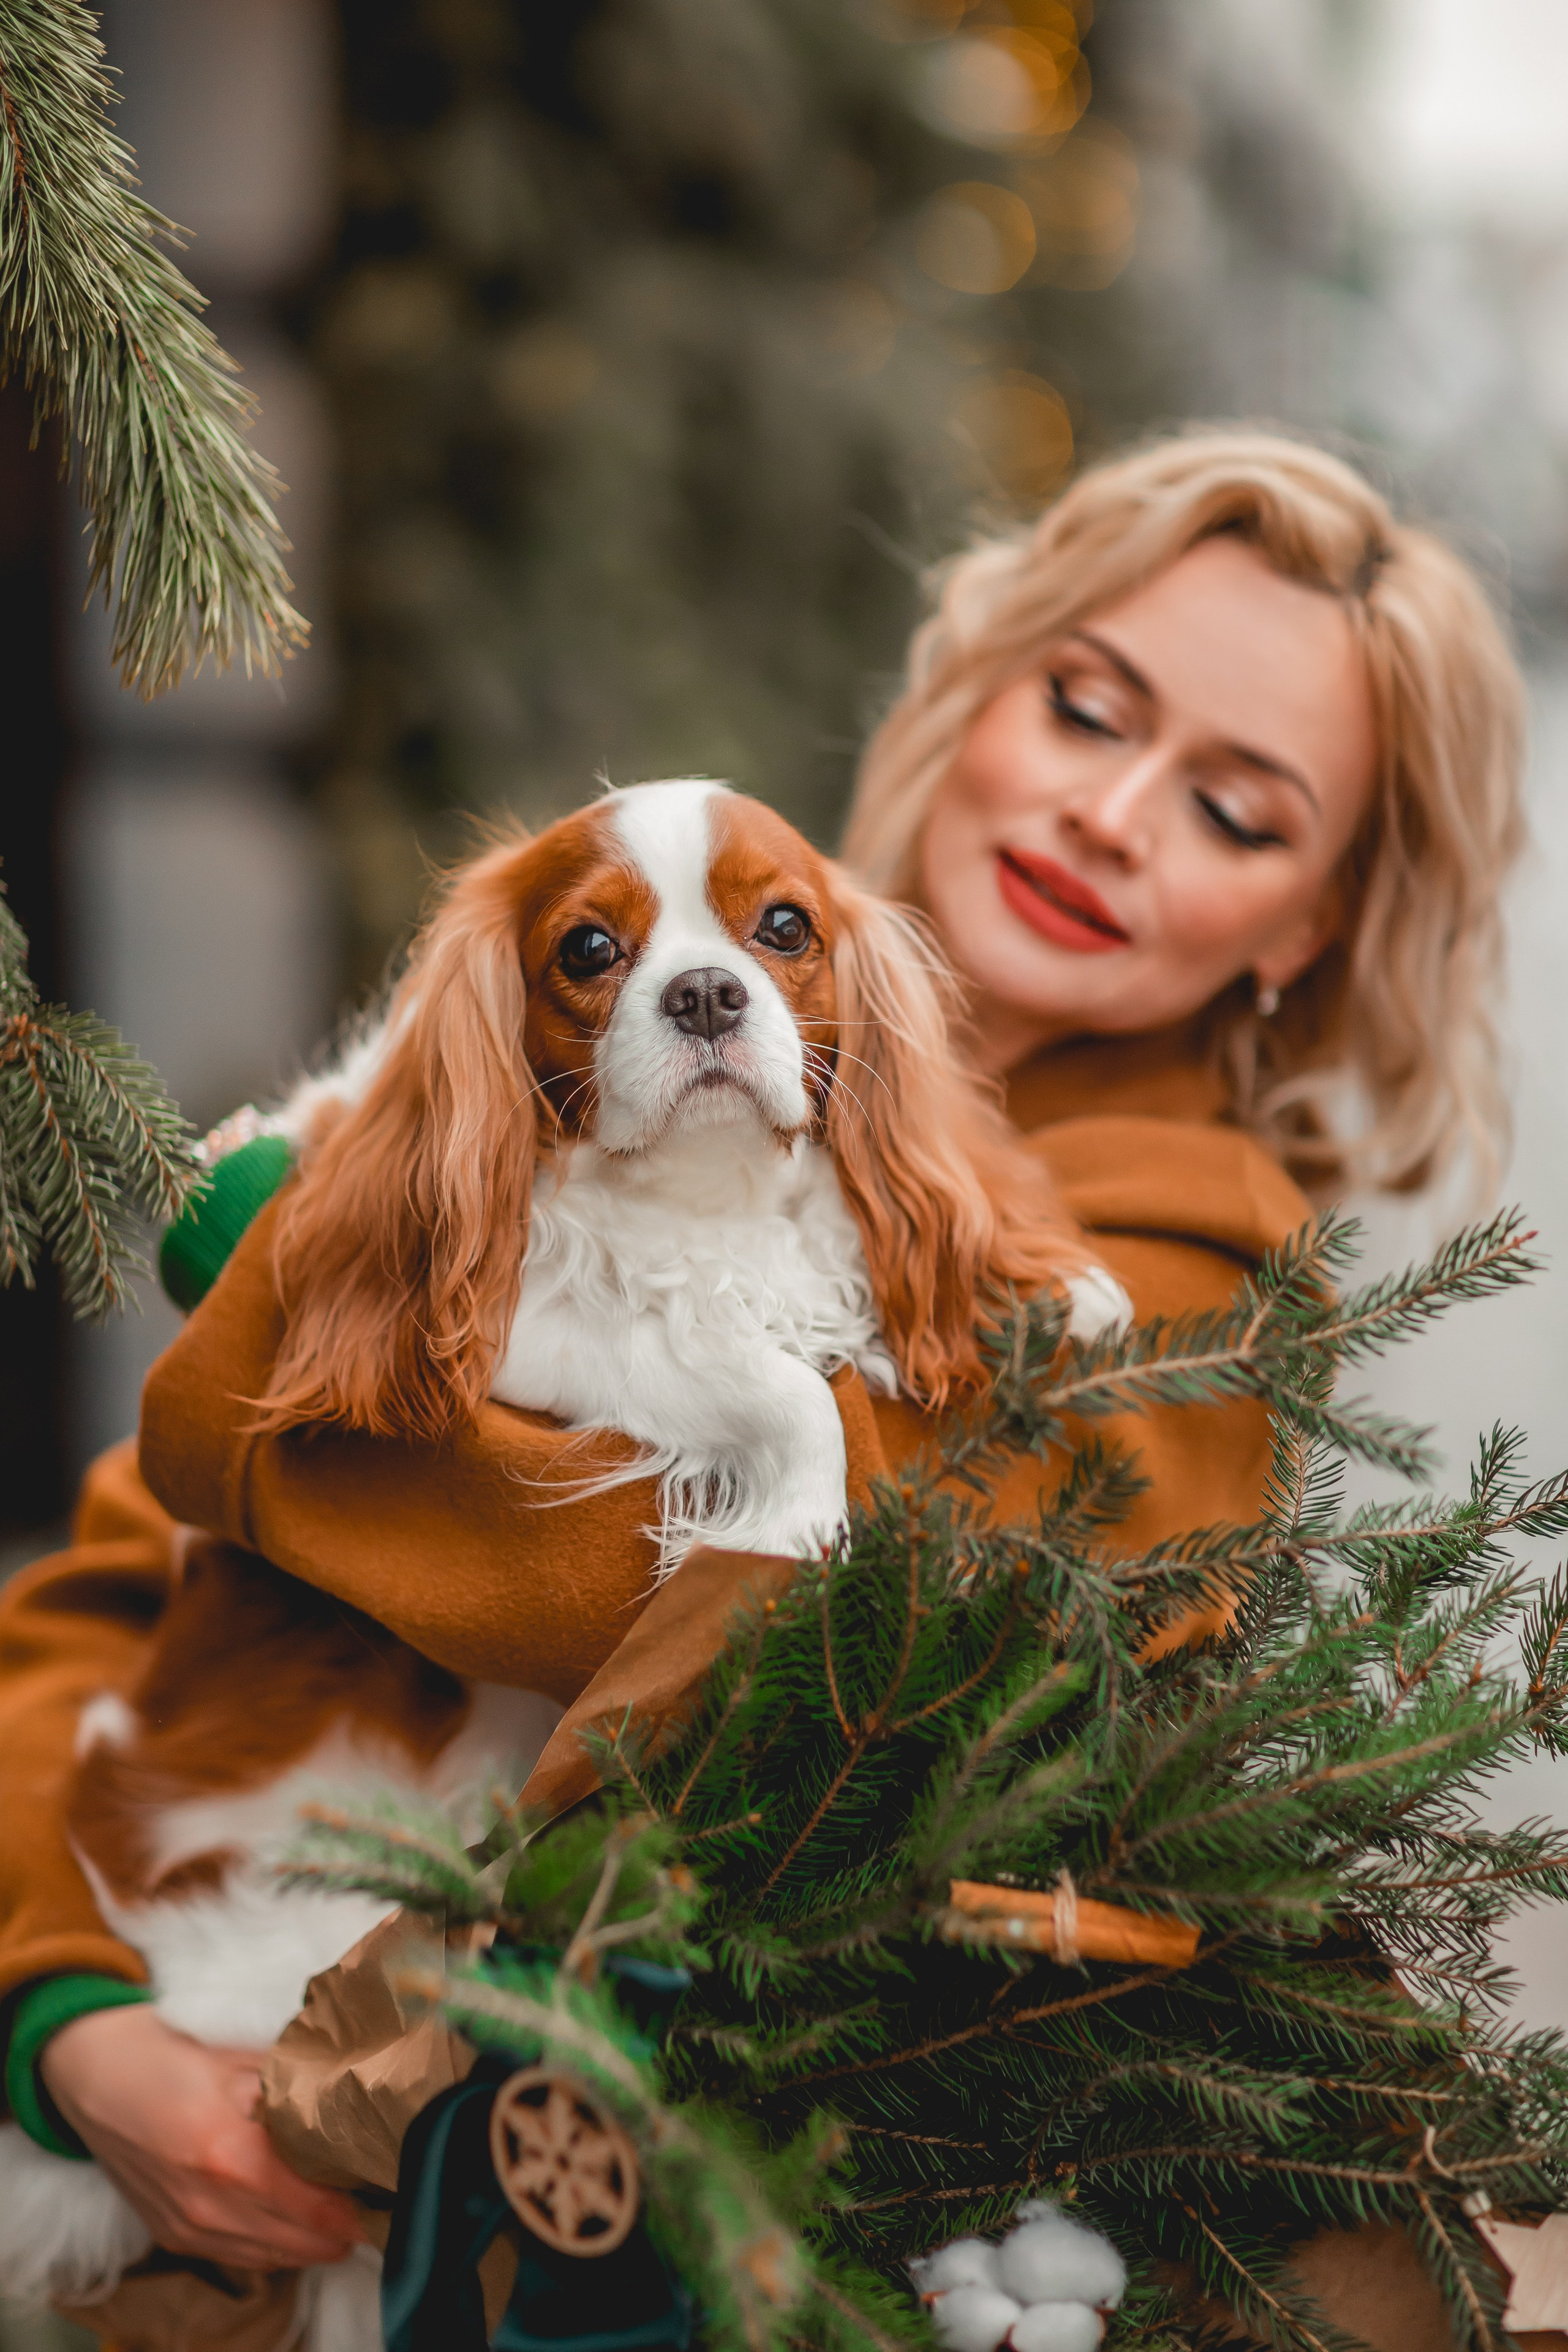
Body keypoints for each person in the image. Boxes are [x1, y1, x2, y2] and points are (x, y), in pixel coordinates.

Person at [0, 429, 1525, 2293]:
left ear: (1318, 920)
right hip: (186, 2030)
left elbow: (685, 1602)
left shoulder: (1190, 1276)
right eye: (1085, 707)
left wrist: (271, 1269)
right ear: (977, 686)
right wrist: (66, 2026)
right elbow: (110, 1594)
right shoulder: (679, 929)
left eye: (1238, 813)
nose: (1112, 815)